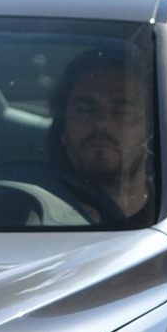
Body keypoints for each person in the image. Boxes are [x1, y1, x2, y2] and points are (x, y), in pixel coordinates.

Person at [48, 50, 152, 220]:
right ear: (62, 127)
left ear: (151, 127)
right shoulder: (31, 212)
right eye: (85, 111)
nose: (102, 124)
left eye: (123, 111)